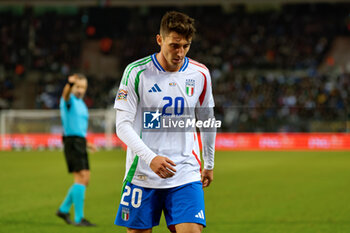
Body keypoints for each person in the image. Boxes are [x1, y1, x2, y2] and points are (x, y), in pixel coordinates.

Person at [114, 11, 216, 233]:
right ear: (159, 40)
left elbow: (207, 119)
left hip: (185, 172)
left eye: (186, 46)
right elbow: (122, 126)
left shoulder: (200, 74)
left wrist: (209, 163)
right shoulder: (136, 72)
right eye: (174, 45)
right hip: (142, 173)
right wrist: (151, 158)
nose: (180, 53)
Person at [56, 74, 96, 227]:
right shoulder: (69, 100)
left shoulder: (81, 104)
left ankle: (63, 209)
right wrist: (69, 84)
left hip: (79, 142)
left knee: (85, 179)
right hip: (72, 142)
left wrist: (87, 143)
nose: (80, 90)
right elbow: (65, 94)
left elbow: (79, 128)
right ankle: (79, 218)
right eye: (78, 87)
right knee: (81, 178)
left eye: (83, 87)